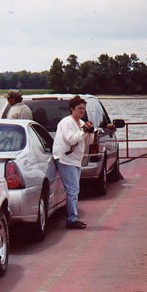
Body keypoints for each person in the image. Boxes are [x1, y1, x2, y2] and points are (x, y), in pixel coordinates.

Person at [53, 96, 95, 229]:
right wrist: (84, 131)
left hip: (75, 160)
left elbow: (89, 142)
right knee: (73, 190)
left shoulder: (81, 123)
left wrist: (90, 131)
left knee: (74, 190)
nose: (82, 110)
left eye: (83, 108)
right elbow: (71, 140)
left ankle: (72, 218)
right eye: (79, 108)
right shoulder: (67, 122)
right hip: (65, 159)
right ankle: (71, 220)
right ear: (72, 109)